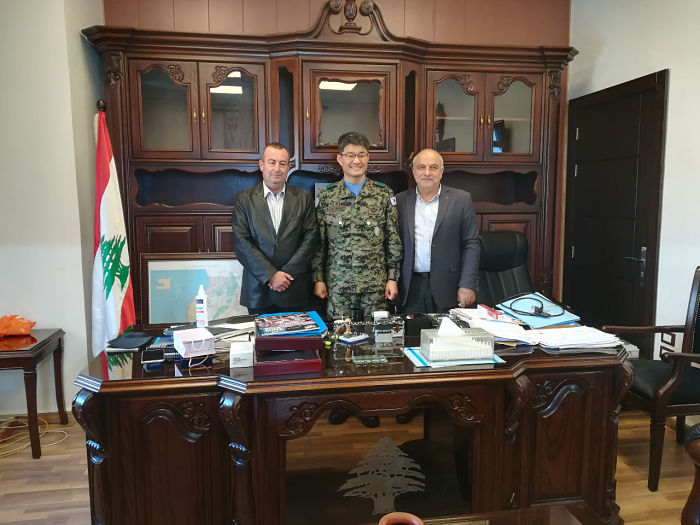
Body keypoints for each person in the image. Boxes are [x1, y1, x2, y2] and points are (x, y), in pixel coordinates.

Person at [312, 132, 402, 319]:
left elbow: (393, 240)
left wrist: (393, 278)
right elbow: (319, 243)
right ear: (340, 159)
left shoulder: (383, 194)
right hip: (338, 287)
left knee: (375, 335)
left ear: (368, 158)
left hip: (375, 287)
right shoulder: (327, 197)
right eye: (350, 155)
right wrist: (318, 279)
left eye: (361, 155)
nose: (356, 161)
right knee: (339, 334)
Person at [232, 143, 318, 314]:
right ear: (261, 165)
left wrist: (285, 275)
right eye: (272, 162)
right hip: (258, 289)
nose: (277, 169)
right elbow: (242, 243)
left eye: (282, 163)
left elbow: (310, 239)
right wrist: (271, 275)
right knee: (261, 333)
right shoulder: (244, 199)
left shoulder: (304, 198)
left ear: (288, 167)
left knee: (296, 333)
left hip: (292, 286)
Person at [396, 148, 480, 313]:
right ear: (413, 171)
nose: (427, 173)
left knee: (448, 330)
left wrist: (468, 284)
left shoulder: (461, 199)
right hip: (410, 287)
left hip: (449, 286)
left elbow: (471, 244)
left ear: (441, 172)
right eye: (421, 167)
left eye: (433, 167)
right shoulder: (400, 201)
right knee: (413, 330)